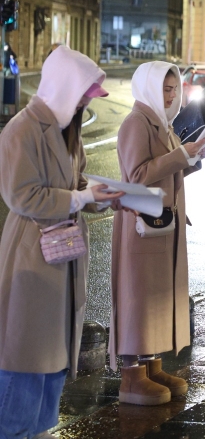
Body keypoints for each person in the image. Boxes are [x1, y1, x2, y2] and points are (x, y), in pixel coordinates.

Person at [0, 46, 125, 437]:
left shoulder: (66, 128)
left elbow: (78, 183)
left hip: (62, 256)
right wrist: (83, 197)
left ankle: (35, 429)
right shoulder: (21, 129)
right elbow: (23, 196)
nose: (89, 100)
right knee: (24, 357)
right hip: (31, 257)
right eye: (86, 93)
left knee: (51, 362)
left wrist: (105, 195)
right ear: (66, 87)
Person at [111, 62, 205, 405]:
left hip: (160, 225)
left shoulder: (161, 123)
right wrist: (181, 155)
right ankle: (132, 376)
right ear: (149, 86)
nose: (170, 96)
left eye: (174, 89)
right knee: (137, 298)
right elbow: (137, 176)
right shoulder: (136, 123)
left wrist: (191, 160)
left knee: (156, 296)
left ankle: (152, 367)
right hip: (140, 227)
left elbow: (166, 172)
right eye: (165, 89)